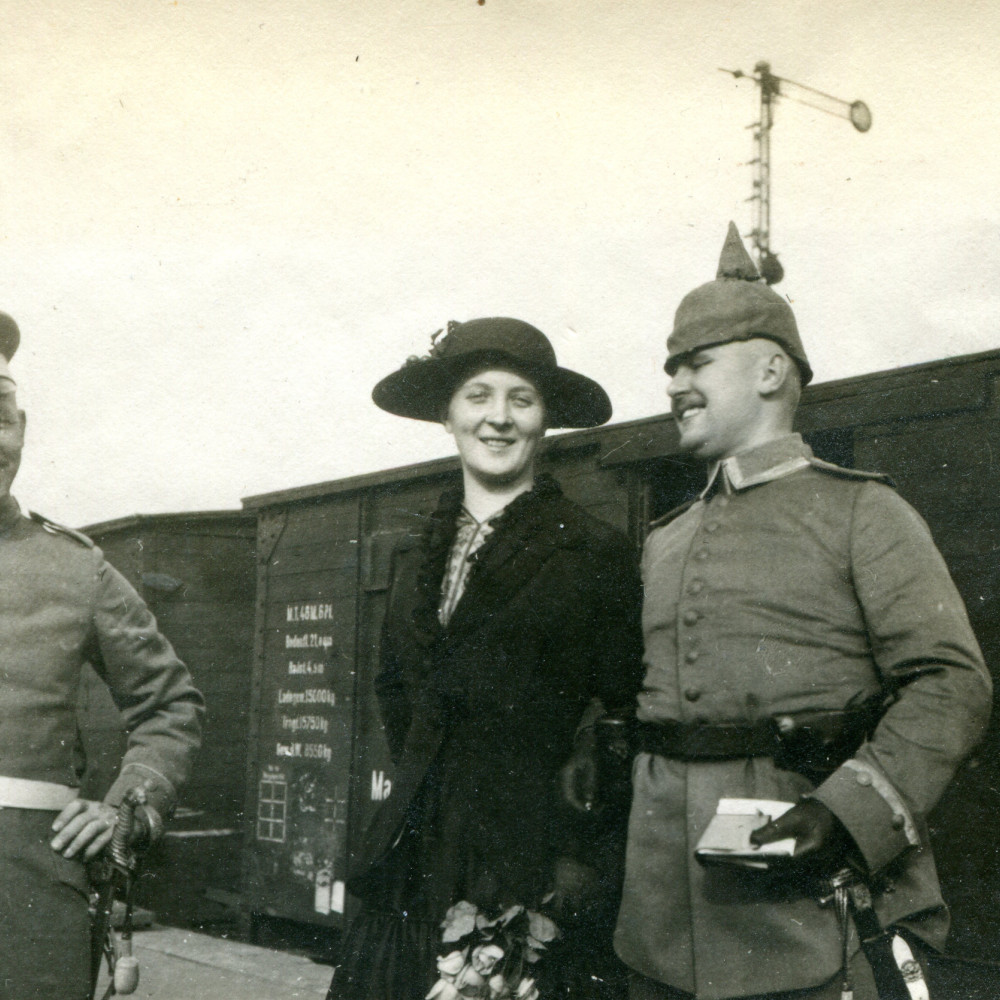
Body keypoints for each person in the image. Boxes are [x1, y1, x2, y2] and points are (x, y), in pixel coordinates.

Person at [613, 225, 993, 1000]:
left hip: (805, 914)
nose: (675, 383)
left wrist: (848, 812)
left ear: (771, 370)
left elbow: (952, 683)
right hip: (658, 926)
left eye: (697, 362)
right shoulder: (665, 540)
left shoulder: (863, 512)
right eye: (670, 366)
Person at [327, 317, 644, 1000]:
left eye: (520, 400)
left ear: (545, 420)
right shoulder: (415, 562)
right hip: (415, 858)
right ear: (448, 415)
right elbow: (399, 700)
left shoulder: (594, 552)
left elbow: (624, 712)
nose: (498, 418)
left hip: (534, 866)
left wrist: (580, 862)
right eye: (478, 396)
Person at [0, 312, 204, 1000]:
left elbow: (168, 706)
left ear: (22, 429)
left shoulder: (77, 570)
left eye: (0, 414)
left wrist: (124, 809)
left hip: (29, 899)